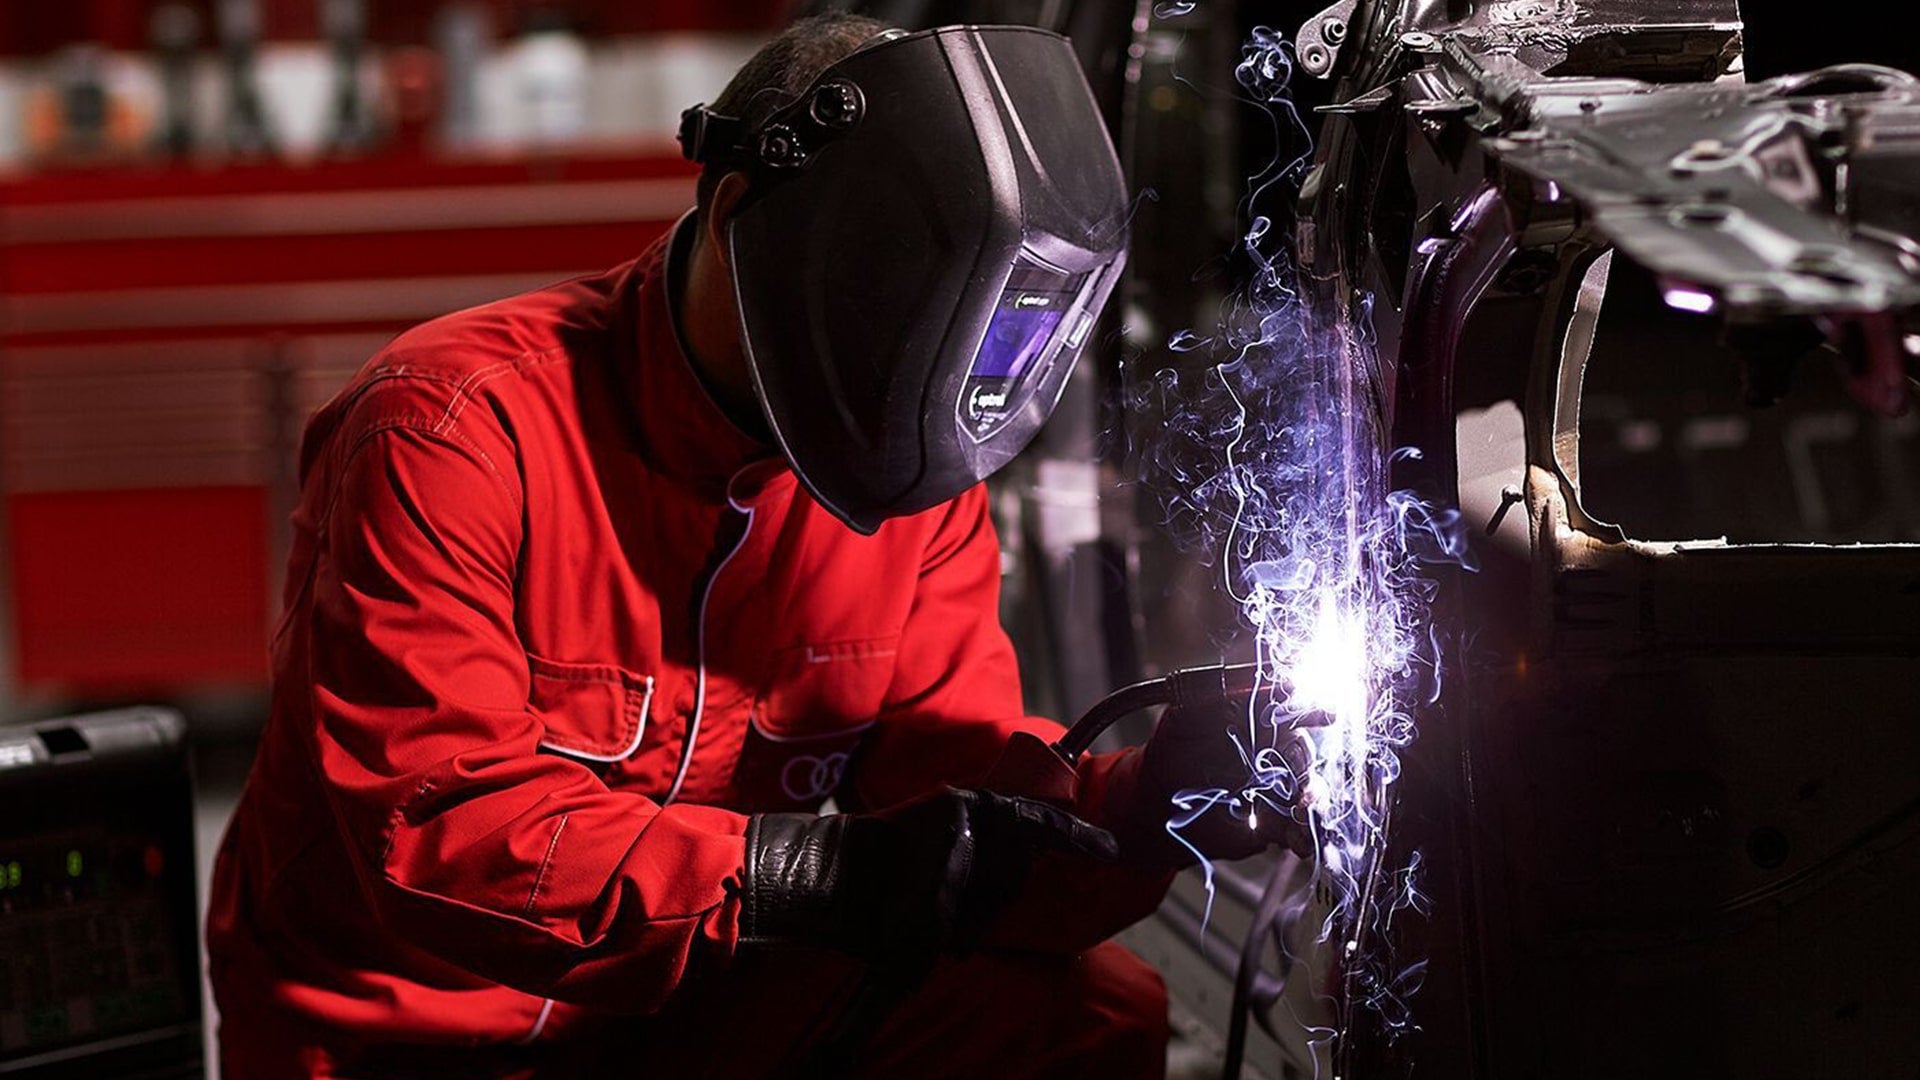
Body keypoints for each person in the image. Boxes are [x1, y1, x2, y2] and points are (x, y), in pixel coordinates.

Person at [208, 15, 1291, 1078]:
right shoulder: (452, 430)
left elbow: (960, 796)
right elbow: (441, 833)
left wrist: (1144, 803)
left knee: (1089, 1014)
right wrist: (801, 871)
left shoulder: (902, 476)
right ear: (737, 214)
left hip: (672, 1008)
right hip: (401, 1035)